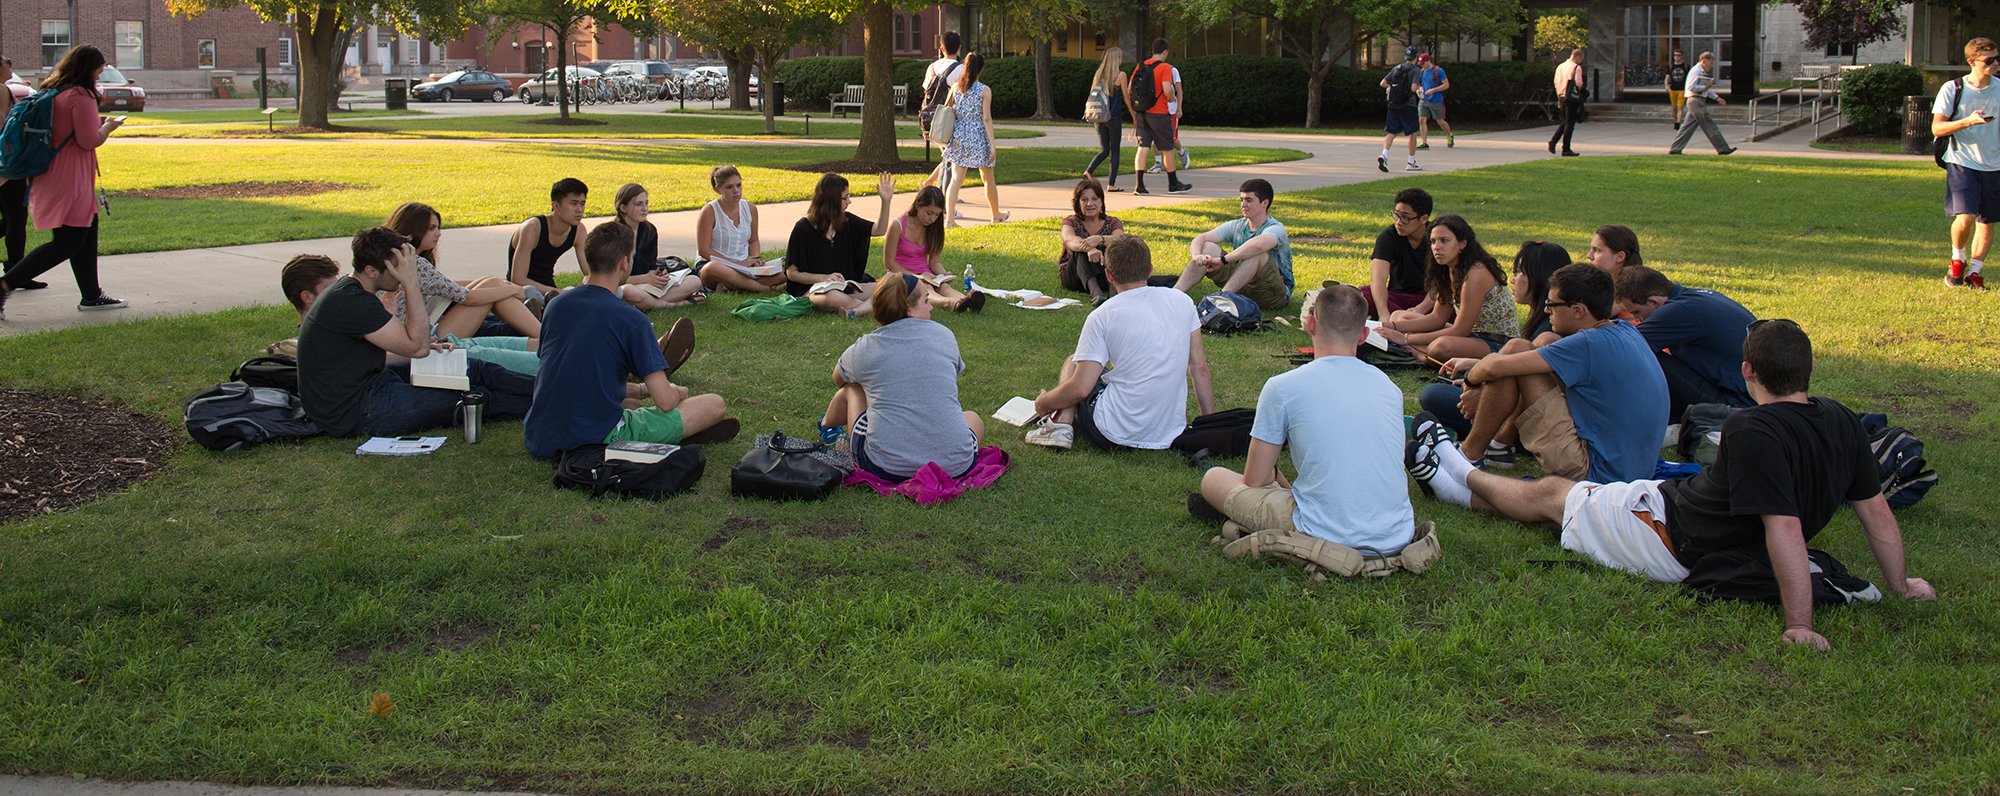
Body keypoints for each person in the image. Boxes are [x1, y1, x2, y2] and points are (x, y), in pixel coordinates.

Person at [1407, 319, 1937, 651]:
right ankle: (1455, 469)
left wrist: (1798, 623)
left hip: (1670, 534)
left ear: (1748, 370)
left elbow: (1783, 527)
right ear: (1809, 369)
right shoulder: (1842, 418)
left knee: (1553, 496)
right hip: (1678, 510)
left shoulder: (1750, 428)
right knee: (1560, 495)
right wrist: (1901, 582)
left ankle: (1456, 472)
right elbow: (1875, 512)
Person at [1197, 284, 1428, 559]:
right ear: (1364, 335)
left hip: (1325, 533)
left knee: (1213, 478)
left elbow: (1256, 480)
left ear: (1310, 324)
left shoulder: (1283, 387)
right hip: (1396, 534)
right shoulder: (1390, 388)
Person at [1422, 264, 1667, 480]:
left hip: (1595, 473)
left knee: (1517, 350)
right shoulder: (1623, 330)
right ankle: (1498, 446)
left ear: (1579, 310)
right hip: (1629, 469)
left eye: (1552, 304)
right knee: (1538, 344)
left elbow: (1495, 366)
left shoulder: (1588, 344)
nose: (1547, 310)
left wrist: (1472, 383)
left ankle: (1467, 457)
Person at [524, 222, 735, 461]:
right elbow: (665, 402)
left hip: (539, 435)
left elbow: (577, 376)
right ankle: (665, 435)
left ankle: (653, 424)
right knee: (714, 404)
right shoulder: (632, 319)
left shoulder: (555, 305)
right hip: (593, 439)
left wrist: (641, 391)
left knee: (630, 403)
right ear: (624, 262)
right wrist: (675, 393)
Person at [297, 227, 535, 437]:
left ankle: (555, 389)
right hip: (356, 409)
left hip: (372, 381)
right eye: (398, 268)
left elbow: (404, 346)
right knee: (473, 397)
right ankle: (553, 401)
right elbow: (417, 347)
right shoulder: (352, 300)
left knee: (471, 367)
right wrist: (411, 283)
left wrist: (424, 348)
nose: (404, 273)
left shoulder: (352, 292)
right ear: (371, 270)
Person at [1028, 235, 1215, 451]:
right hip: (1169, 431)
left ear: (1108, 275)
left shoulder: (1103, 315)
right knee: (1091, 370)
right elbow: (1199, 368)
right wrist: (1208, 426)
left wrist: (1042, 403)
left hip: (1113, 432)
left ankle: (1060, 423)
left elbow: (1080, 388)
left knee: (1073, 362)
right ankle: (1061, 422)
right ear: (1150, 270)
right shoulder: (1182, 302)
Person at [0, 45, 127, 320]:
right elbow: (88, 140)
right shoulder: (80, 96)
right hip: (70, 177)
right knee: (68, 241)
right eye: (99, 70)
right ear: (89, 69)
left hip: (53, 174)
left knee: (87, 228)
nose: (100, 75)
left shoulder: (55, 92)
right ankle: (4, 285)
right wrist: (108, 127)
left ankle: (92, 295)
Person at [819, 275, 983, 481]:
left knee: (853, 388)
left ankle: (826, 426)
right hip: (956, 465)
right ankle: (946, 449)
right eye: (926, 300)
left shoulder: (866, 347)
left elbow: (839, 379)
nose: (931, 306)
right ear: (908, 308)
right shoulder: (944, 335)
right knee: (973, 418)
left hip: (886, 466)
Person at [277, 252, 543, 376]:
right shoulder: (313, 340)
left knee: (499, 342)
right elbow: (392, 356)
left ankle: (560, 342)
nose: (339, 292)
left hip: (430, 346)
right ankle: (565, 356)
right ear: (307, 297)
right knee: (492, 355)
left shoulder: (342, 315)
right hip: (426, 355)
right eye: (331, 287)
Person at [383, 202, 543, 344]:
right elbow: (469, 298)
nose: (438, 233)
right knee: (493, 287)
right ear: (414, 228)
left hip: (414, 330)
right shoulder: (415, 263)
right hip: (425, 339)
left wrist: (502, 284)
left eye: (438, 228)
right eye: (431, 228)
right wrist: (514, 289)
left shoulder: (396, 256)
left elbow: (447, 286)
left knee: (492, 284)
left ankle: (536, 326)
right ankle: (545, 336)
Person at [1616, 265, 1755, 418]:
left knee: (1640, 352)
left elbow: (1621, 346)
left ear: (1654, 302)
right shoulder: (1695, 297)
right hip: (1753, 393)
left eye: (1637, 312)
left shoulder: (1678, 310)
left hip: (1736, 404)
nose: (1637, 319)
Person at [1380, 215, 1517, 361]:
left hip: (1496, 342)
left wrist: (1405, 338)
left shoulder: (1476, 274)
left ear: (1462, 243)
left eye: (1444, 241)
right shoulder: (1447, 269)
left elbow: (1460, 330)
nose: (1437, 247)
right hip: (1469, 336)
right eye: (1433, 242)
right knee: (1398, 317)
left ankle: (1415, 351)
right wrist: (1389, 326)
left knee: (1439, 347)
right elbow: (1437, 318)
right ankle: (1419, 352)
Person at [1933, 37, 2000, 290]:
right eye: (1989, 60)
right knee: (1966, 217)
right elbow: (1937, 127)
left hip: (1995, 164)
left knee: (1986, 221)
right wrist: (1968, 121)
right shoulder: (1953, 88)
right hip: (1963, 161)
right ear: (1971, 61)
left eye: (1997, 58)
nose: (1995, 64)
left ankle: (1974, 273)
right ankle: (1957, 259)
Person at [1170, 178, 1294, 311]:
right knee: (1208, 247)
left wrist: (1223, 260)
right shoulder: (1238, 225)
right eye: (1242, 200)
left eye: (1249, 200)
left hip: (1273, 294)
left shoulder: (1276, 228)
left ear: (1265, 203)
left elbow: (1258, 246)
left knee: (1257, 254)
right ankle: (1173, 295)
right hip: (1243, 286)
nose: (1243, 205)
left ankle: (1218, 303)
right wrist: (1197, 256)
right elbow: (1201, 238)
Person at [786, 172, 894, 317]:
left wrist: (886, 201)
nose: (849, 202)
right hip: (814, 290)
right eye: (845, 197)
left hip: (845, 287)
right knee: (832, 296)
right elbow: (792, 273)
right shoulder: (803, 228)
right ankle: (874, 307)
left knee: (888, 287)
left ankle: (858, 310)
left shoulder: (846, 221)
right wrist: (824, 278)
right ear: (831, 200)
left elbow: (879, 230)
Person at [883, 186, 983, 312]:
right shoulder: (897, 225)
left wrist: (943, 274)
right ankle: (950, 303)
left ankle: (968, 301)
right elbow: (889, 263)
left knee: (944, 286)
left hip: (927, 274)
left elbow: (934, 262)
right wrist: (916, 276)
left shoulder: (933, 227)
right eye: (929, 213)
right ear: (918, 205)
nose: (932, 219)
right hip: (901, 274)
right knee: (925, 288)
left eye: (937, 214)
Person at [608, 182, 706, 309]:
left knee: (694, 281)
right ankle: (673, 304)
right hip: (625, 286)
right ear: (623, 208)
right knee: (628, 291)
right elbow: (611, 278)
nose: (644, 208)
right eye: (638, 204)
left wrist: (658, 275)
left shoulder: (649, 230)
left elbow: (650, 266)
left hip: (646, 287)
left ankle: (644, 304)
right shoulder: (612, 234)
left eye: (646, 203)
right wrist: (645, 278)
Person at [941, 53, 1010, 226]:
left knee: (956, 179)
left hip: (959, 134)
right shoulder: (984, 90)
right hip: (979, 135)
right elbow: (986, 118)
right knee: (988, 178)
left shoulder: (956, 87)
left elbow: (947, 109)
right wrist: (992, 145)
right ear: (981, 68)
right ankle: (995, 215)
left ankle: (949, 219)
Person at [692, 166, 782, 294]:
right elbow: (704, 250)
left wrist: (755, 259)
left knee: (786, 266)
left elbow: (754, 240)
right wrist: (736, 263)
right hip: (716, 265)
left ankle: (735, 285)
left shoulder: (750, 208)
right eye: (729, 187)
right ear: (717, 189)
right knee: (713, 268)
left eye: (739, 185)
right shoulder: (709, 211)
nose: (736, 191)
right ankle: (764, 288)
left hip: (746, 267)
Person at [504, 178, 588, 304]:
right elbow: (518, 279)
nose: (579, 209)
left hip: (548, 287)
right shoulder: (533, 228)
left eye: (582, 203)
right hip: (520, 291)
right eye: (573, 203)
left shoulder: (579, 231)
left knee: (572, 292)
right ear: (556, 206)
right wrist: (559, 292)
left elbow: (590, 272)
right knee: (531, 293)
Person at [1125, 38, 1192, 195]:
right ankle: (1173, 184)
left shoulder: (1141, 65)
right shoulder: (1165, 67)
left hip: (1142, 113)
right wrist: (1171, 98)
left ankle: (1139, 186)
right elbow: (1167, 88)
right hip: (1159, 113)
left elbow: (1130, 88)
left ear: (1153, 51)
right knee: (1167, 148)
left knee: (1142, 147)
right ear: (1165, 52)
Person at [1357, 187, 1433, 320]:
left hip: (1431, 298)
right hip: (1397, 298)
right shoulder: (1388, 237)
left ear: (1423, 219)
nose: (1398, 222)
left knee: (1450, 302)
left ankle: (1410, 321)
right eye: (1396, 215)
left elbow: (1443, 283)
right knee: (1362, 295)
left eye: (1405, 218)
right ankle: (1415, 323)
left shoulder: (1437, 237)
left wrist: (1420, 309)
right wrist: (1383, 314)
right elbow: (1378, 281)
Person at [1058, 178, 1126, 305]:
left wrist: (1100, 239)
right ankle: (1096, 294)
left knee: (1115, 247)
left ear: (1101, 202)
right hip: (1075, 277)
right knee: (1080, 249)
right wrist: (1089, 247)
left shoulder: (1112, 222)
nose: (1090, 204)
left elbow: (1120, 239)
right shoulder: (1070, 222)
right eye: (1084, 200)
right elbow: (1069, 239)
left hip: (1105, 274)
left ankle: (1113, 291)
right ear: (1077, 203)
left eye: (1094, 199)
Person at [0, 55, 35, 291]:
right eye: (5, 61)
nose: (9, 64)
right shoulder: (1, 89)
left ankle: (15, 270)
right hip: (6, 164)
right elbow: (3, 125)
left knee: (10, 216)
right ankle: (15, 272)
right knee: (16, 216)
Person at [919, 31, 966, 192]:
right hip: (951, 119)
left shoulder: (932, 67)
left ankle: (930, 185)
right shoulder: (962, 70)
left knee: (949, 156)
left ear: (941, 47)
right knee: (952, 158)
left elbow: (927, 92)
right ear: (959, 47)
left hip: (931, 117)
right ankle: (946, 194)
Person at [1668, 51, 1736, 156]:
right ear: (1704, 61)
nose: (1712, 66)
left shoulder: (1700, 71)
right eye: (1711, 63)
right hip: (1696, 101)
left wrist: (1717, 98)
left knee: (1687, 127)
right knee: (1709, 125)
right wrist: (1706, 87)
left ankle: (1675, 149)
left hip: (1695, 101)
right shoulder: (1696, 71)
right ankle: (1723, 148)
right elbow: (1692, 87)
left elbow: (1705, 90)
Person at [1083, 47, 1129, 193]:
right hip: (1113, 117)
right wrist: (1134, 114)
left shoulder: (1098, 75)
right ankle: (1111, 184)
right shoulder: (1120, 75)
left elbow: (1092, 95)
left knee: (1105, 149)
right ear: (1117, 60)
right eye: (1120, 57)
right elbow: (1126, 98)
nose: (1122, 60)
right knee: (1115, 151)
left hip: (1099, 116)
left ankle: (1089, 171)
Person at [1510, 240, 1572, 341]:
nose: (1512, 280)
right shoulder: (1545, 321)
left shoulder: (1549, 331)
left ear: (1539, 276)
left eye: (1518, 272)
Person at [1378, 46, 1424, 172]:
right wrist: (1418, 88)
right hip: (1408, 105)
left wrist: (1392, 88)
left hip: (1394, 104)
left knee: (1391, 132)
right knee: (1412, 132)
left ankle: (1384, 155)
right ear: (1416, 58)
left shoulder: (1397, 68)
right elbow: (1413, 88)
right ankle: (1411, 161)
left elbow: (1383, 83)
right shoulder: (1416, 70)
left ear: (1406, 56)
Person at [1549, 48, 1585, 157]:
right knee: (1570, 124)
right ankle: (1566, 148)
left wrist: (1559, 96)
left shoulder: (1560, 67)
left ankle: (1554, 141)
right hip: (1571, 98)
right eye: (1581, 59)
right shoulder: (1576, 67)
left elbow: (1556, 81)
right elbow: (1578, 84)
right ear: (1577, 57)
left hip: (1561, 96)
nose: (1581, 61)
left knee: (1565, 121)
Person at [1416, 53, 1454, 150]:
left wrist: (1433, 90)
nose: (1422, 65)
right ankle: (1424, 142)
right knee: (1422, 120)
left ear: (1428, 61)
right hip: (1424, 100)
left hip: (1436, 100)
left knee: (1440, 121)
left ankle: (1449, 135)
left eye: (1423, 63)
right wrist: (1418, 90)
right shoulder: (1422, 72)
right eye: (1420, 63)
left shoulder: (1438, 71)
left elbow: (1446, 85)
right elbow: (1420, 85)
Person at [1666, 50, 1690, 131]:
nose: (1677, 57)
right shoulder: (1671, 66)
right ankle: (1675, 121)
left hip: (1682, 89)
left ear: (1682, 56)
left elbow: (1689, 77)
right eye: (1675, 55)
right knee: (1673, 107)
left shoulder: (1686, 66)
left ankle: (1678, 123)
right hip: (1673, 89)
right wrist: (1666, 85)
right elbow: (1667, 77)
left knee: (1680, 107)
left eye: (1678, 55)